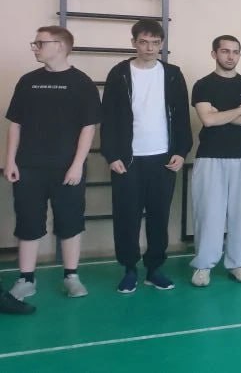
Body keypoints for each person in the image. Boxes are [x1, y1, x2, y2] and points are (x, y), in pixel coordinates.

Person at [5, 26, 100, 301]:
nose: (35, 47)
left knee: (70, 222)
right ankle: (26, 279)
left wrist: (77, 164)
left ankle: (71, 276)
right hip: (28, 167)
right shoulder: (28, 81)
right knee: (28, 222)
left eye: (40, 43)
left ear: (59, 45)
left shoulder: (82, 83)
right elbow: (15, 124)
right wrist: (10, 161)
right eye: (34, 43)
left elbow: (88, 128)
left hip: (66, 168)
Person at [102, 19, 192, 293]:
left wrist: (181, 151)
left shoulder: (173, 74)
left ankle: (154, 269)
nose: (149, 48)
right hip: (128, 160)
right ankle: (129, 268)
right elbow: (108, 118)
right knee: (126, 216)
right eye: (143, 42)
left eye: (155, 43)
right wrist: (112, 155)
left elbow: (182, 117)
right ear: (134, 43)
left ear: (161, 44)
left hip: (163, 159)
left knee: (158, 216)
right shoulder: (119, 73)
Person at [189, 35, 241, 287]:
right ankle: (203, 265)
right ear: (214, 54)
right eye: (225, 51)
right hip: (210, 157)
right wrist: (239, 110)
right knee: (209, 213)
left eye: (235, 52)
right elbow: (208, 120)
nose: (230, 56)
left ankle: (239, 263)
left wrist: (221, 114)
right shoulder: (203, 85)